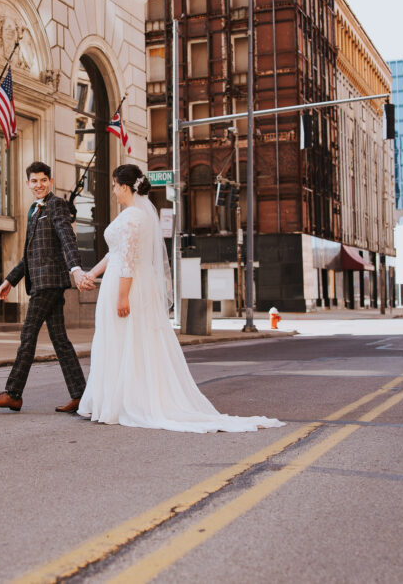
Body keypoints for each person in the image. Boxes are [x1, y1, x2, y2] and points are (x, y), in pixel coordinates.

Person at [75, 164, 285, 433]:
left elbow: (128, 260)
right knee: (127, 342)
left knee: (123, 341)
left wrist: (123, 296)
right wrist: (92, 273)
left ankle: (123, 402)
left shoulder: (132, 218)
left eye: (115, 185)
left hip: (126, 286)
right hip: (122, 282)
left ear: (125, 187)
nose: (114, 191)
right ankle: (118, 399)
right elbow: (114, 253)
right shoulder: (137, 215)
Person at [0, 162, 92, 413]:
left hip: (49, 282)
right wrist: (10, 280)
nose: (39, 185)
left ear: (50, 181)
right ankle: (81, 395)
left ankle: (13, 393)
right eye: (34, 181)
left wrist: (75, 269)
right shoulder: (34, 210)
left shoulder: (56, 205)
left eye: (43, 180)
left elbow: (67, 238)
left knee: (28, 335)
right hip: (42, 282)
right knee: (60, 340)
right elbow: (30, 255)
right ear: (28, 183)